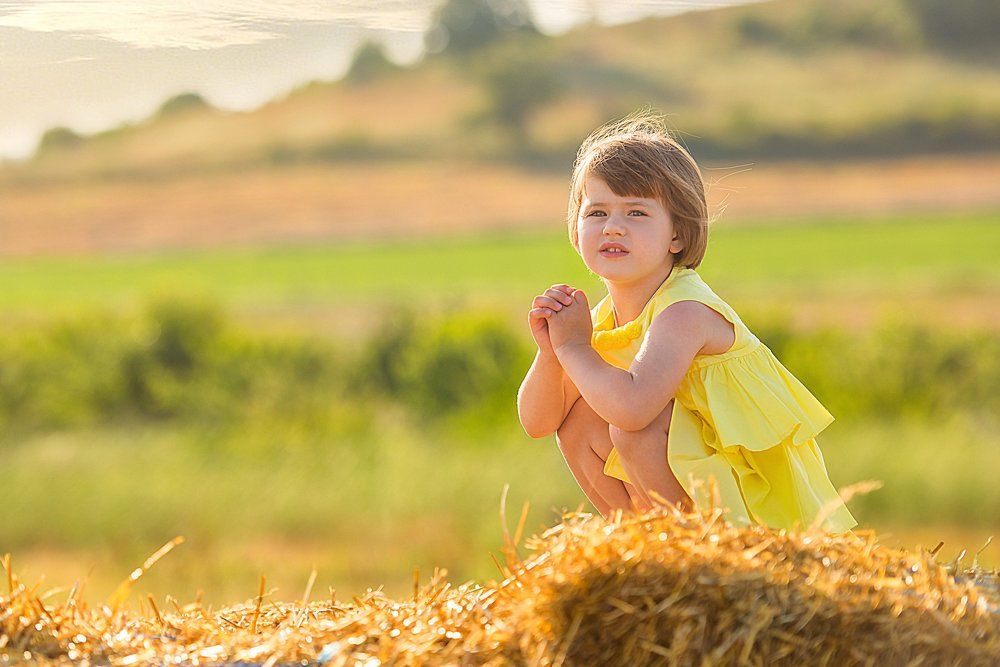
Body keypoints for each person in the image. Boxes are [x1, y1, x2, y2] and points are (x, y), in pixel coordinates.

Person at [516, 109, 858, 534]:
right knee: (579, 420)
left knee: (632, 429)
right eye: (597, 212)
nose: (613, 228)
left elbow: (634, 408)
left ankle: (696, 553)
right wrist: (552, 354)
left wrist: (575, 349)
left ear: (677, 234)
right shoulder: (600, 319)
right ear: (576, 227)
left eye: (636, 213)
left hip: (753, 507)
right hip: (695, 484)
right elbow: (538, 423)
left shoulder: (685, 312)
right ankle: (643, 543)